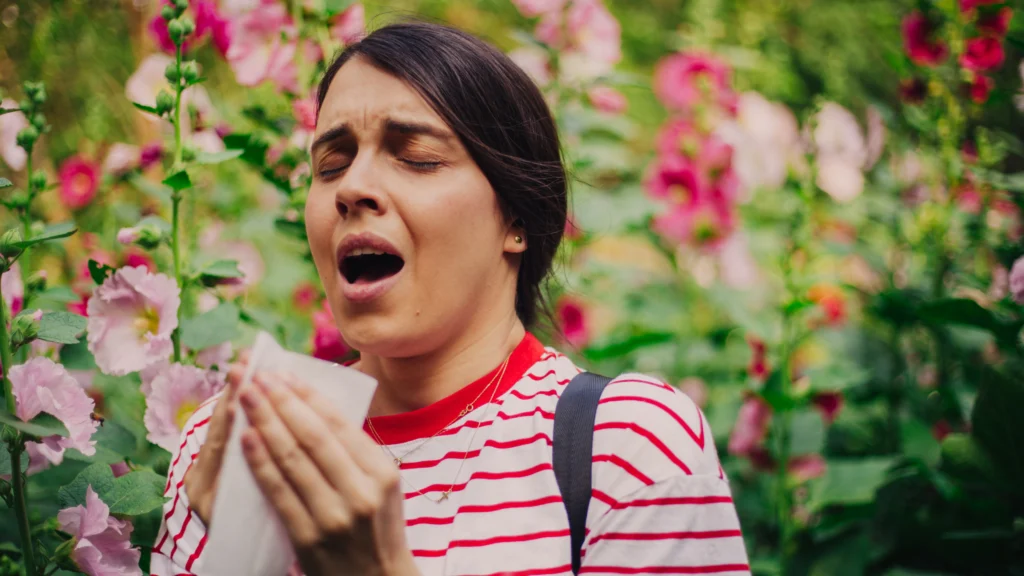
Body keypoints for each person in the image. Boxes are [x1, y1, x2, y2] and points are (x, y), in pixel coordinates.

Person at [150, 21, 751, 576]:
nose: (353, 187)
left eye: (416, 157)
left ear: (516, 217)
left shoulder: (627, 448)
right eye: (331, 165)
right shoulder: (230, 446)